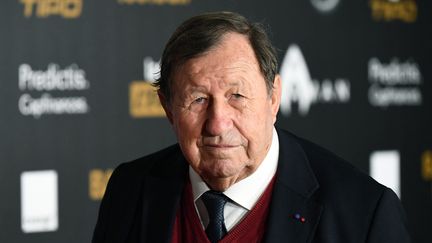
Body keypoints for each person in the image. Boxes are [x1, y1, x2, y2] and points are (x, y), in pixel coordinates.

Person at [92, 11, 411, 243]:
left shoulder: (364, 214)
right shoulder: (129, 189)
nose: (218, 123)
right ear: (168, 109)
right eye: (199, 99)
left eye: (237, 96)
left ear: (274, 99)